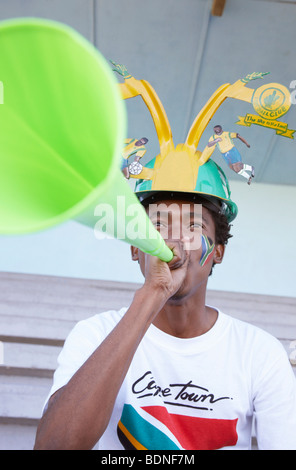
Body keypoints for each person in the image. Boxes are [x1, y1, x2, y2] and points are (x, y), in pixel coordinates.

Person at [34, 165, 296, 450]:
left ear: (218, 252)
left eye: (194, 226)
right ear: (135, 247)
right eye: (157, 226)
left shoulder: (260, 353)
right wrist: (153, 293)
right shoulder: (94, 334)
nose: (173, 241)